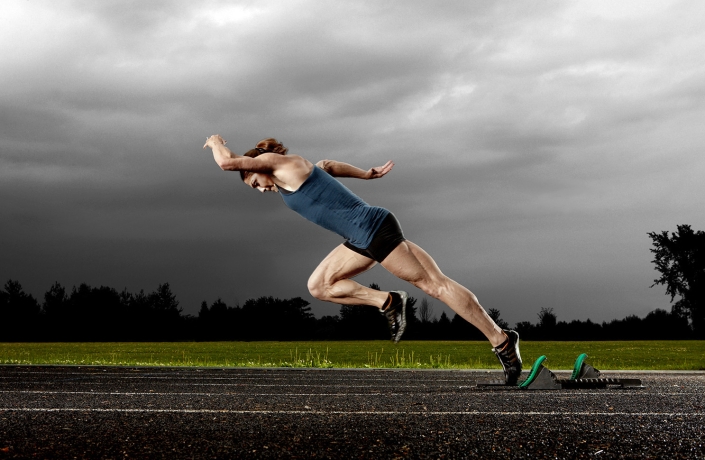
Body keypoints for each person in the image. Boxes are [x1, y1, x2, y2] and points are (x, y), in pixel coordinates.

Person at [202, 134, 523, 384]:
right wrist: (365, 175)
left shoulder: (281, 164)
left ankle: (503, 342)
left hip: (374, 230)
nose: (260, 190)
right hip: (360, 239)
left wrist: (216, 142)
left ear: (259, 166)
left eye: (256, 183)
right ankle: (388, 302)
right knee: (320, 286)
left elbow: (227, 163)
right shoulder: (290, 178)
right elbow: (327, 165)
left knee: (435, 286)